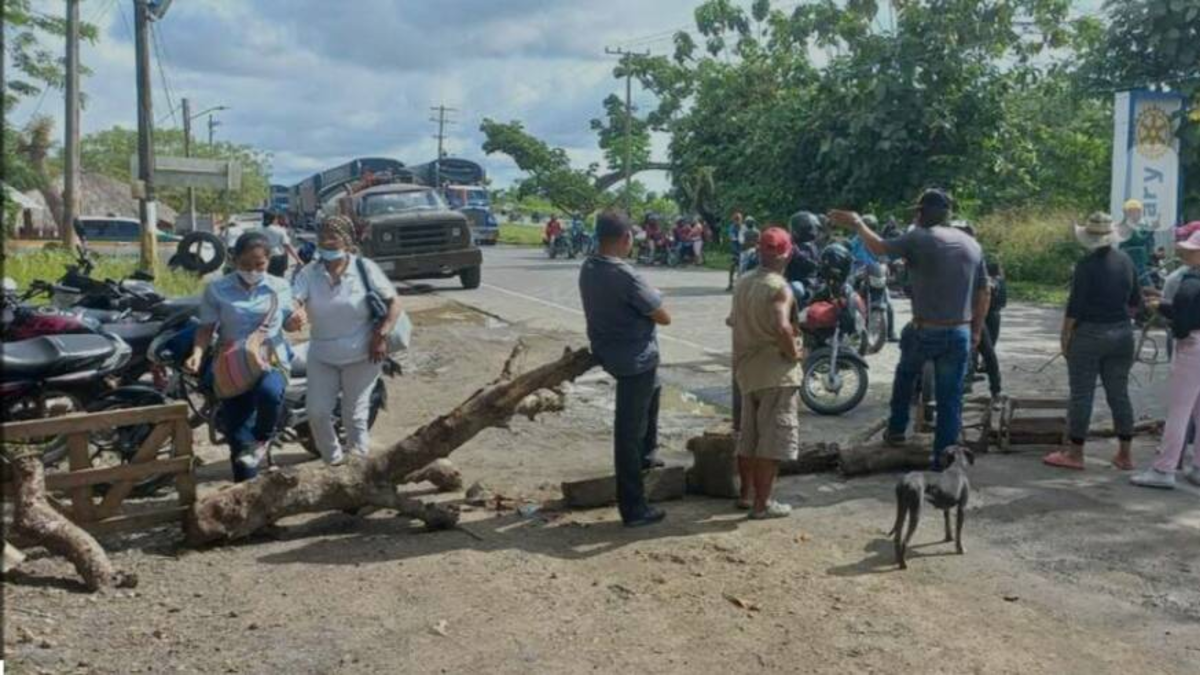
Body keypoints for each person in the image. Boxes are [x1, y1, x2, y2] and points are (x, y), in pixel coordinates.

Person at [829, 189, 990, 470]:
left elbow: (879, 248)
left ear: (923, 213)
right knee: (950, 399)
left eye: (917, 211)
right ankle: (944, 460)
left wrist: (857, 223)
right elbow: (984, 292)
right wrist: (976, 331)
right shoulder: (972, 245)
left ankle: (896, 431)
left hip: (925, 330)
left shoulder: (919, 238)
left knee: (905, 376)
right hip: (959, 332)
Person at [579, 210, 672, 528]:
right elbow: (663, 316)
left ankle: (647, 455)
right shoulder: (625, 274)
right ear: (625, 238)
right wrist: (654, 298)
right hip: (634, 359)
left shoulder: (589, 267)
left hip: (608, 350)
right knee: (628, 434)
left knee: (655, 391)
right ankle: (633, 508)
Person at [185, 231, 300, 482]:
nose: (252, 270)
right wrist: (197, 354)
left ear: (268, 261)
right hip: (232, 364)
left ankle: (263, 439)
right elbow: (206, 328)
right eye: (245, 264)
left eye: (259, 264)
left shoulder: (280, 286)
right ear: (234, 260)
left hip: (271, 358)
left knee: (270, 393)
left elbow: (289, 322)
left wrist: (296, 321)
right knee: (238, 437)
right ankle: (245, 493)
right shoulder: (217, 289)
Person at [290, 215, 402, 465]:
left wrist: (381, 335)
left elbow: (394, 302)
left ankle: (357, 467)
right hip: (322, 355)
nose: (327, 242)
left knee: (354, 416)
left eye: (334, 237)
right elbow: (295, 300)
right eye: (322, 237)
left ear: (348, 240)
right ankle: (334, 463)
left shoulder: (364, 268)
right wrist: (294, 313)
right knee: (317, 413)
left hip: (363, 354)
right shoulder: (309, 273)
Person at [1043, 212, 1142, 471]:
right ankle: (1125, 455)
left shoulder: (1086, 265)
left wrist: (1065, 337)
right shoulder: (1126, 261)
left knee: (1082, 394)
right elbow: (1135, 302)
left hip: (1089, 335)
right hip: (1122, 334)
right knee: (1119, 393)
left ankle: (1075, 454)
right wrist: (1121, 321)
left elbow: (1075, 307)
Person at [730, 227, 804, 519]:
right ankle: (762, 505)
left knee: (748, 437)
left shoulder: (743, 281)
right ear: (787, 253)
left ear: (759, 251)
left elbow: (732, 320)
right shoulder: (779, 287)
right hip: (775, 374)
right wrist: (794, 353)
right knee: (771, 443)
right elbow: (782, 326)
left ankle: (746, 495)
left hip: (747, 371)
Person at [1130, 231, 1200, 488]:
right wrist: (1162, 305)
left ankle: (1164, 468)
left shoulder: (1191, 281)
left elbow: (1182, 321)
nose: (1186, 252)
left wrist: (1161, 309)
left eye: (1192, 249)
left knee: (1179, 411)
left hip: (1192, 346)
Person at [263, 211, 301, 277]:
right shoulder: (280, 230)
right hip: (277, 258)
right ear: (274, 219)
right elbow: (287, 246)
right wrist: (298, 259)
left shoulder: (258, 230)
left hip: (264, 257)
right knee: (278, 279)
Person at [727, 211, 746, 291]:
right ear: (733, 219)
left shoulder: (744, 227)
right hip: (735, 250)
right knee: (732, 266)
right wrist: (735, 238)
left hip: (743, 250)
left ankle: (742, 284)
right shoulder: (732, 227)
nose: (737, 220)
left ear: (741, 219)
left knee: (743, 267)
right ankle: (730, 283)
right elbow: (732, 237)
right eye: (736, 219)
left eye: (738, 219)